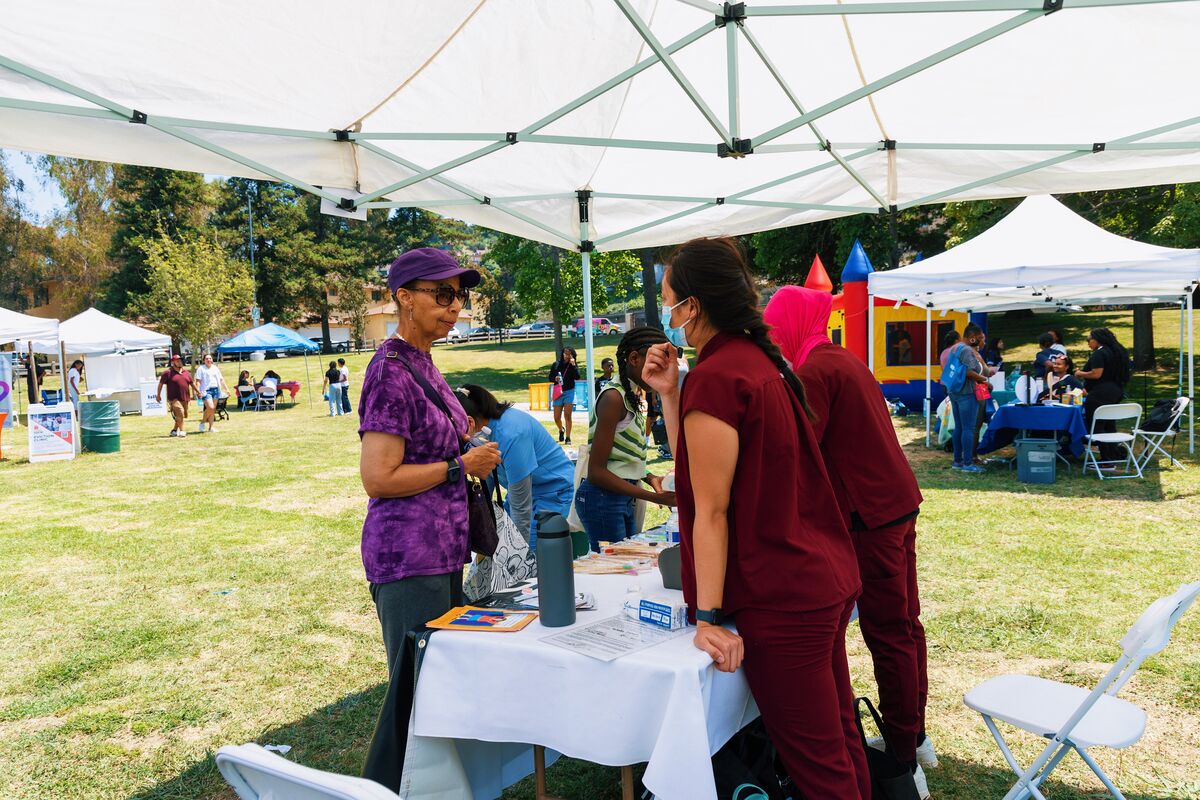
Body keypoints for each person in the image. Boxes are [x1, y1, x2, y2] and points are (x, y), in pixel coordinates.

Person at [643, 238, 868, 798]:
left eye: (667, 300)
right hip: (814, 576)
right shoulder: (752, 363)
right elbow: (701, 471)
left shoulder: (724, 377)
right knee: (838, 740)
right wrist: (671, 395)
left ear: (691, 306)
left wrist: (709, 616)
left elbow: (711, 510)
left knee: (818, 761)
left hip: (785, 593)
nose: (664, 312)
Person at [765, 285, 934, 791]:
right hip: (892, 506)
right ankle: (914, 734)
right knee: (903, 627)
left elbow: (798, 454)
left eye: (774, 329)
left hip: (870, 517)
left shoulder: (815, 371)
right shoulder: (840, 357)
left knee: (888, 631)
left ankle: (903, 757)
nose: (771, 340)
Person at [357, 248, 501, 791]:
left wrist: (459, 436)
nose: (454, 307)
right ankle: (383, 789)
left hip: (440, 550)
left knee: (435, 688)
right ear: (404, 297)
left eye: (459, 297)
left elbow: (428, 441)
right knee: (413, 694)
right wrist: (459, 464)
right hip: (407, 555)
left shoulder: (421, 362)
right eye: (442, 295)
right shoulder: (391, 371)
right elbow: (379, 477)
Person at [575, 327, 676, 552]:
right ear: (633, 358)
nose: (662, 372)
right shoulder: (614, 397)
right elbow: (597, 472)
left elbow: (621, 459)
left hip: (619, 497)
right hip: (603, 500)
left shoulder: (633, 395)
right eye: (657, 364)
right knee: (615, 570)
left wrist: (649, 477)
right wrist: (654, 498)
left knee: (628, 566)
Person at [454, 383, 574, 548]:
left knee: (530, 555)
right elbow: (485, 484)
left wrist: (519, 558)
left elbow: (521, 512)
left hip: (552, 491)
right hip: (520, 493)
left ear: (470, 421)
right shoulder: (480, 432)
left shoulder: (512, 434)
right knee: (498, 551)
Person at [1075, 328, 1131, 462]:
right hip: (1116, 391)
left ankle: (1106, 458)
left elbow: (1096, 373)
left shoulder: (1099, 354)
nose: (1088, 343)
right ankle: (1113, 454)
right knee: (1109, 424)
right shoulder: (1118, 352)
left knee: (1097, 426)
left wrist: (1079, 373)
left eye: (1089, 340)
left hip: (1100, 394)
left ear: (1097, 339)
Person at [946, 324, 990, 473]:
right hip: (966, 392)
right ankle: (967, 464)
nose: (980, 341)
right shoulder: (966, 350)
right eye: (979, 338)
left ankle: (957, 461)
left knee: (959, 427)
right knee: (969, 428)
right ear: (972, 336)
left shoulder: (956, 347)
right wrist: (985, 380)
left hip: (954, 391)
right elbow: (969, 372)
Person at [156, 354, 201, 438]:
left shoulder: (186, 373)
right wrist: (158, 395)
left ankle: (174, 430)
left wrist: (198, 392)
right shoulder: (168, 373)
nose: (179, 362)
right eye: (177, 361)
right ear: (173, 362)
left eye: (180, 360)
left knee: (181, 416)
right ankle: (182, 431)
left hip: (185, 398)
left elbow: (192, 384)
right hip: (173, 398)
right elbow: (161, 384)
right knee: (180, 413)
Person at [549, 347, 579, 444]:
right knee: (556, 417)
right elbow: (550, 377)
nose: (566, 356)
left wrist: (573, 365)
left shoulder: (573, 365)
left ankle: (568, 438)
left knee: (567, 415)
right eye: (565, 353)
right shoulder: (556, 364)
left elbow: (577, 377)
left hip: (569, 391)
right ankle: (561, 429)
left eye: (569, 354)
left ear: (572, 355)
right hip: (558, 391)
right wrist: (555, 378)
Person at [194, 354, 229, 433]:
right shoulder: (201, 369)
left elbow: (221, 379)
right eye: (207, 358)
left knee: (212, 410)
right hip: (206, 391)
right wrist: (198, 391)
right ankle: (202, 422)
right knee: (210, 407)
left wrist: (226, 389)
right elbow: (198, 381)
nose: (208, 360)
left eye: (210, 358)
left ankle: (211, 428)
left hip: (216, 390)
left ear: (212, 360)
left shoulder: (215, 368)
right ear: (204, 360)